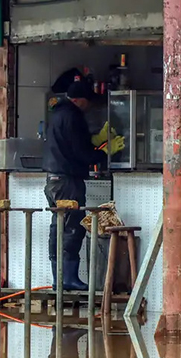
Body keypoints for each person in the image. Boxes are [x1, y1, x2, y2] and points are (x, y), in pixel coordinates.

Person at [42, 80, 125, 290]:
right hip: (68, 181)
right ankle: (67, 279)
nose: (89, 107)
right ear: (79, 100)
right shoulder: (72, 115)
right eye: (87, 102)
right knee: (71, 228)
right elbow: (81, 152)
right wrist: (103, 152)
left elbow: (72, 143)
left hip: (53, 181)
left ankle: (59, 279)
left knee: (59, 227)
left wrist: (95, 140)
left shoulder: (58, 114)